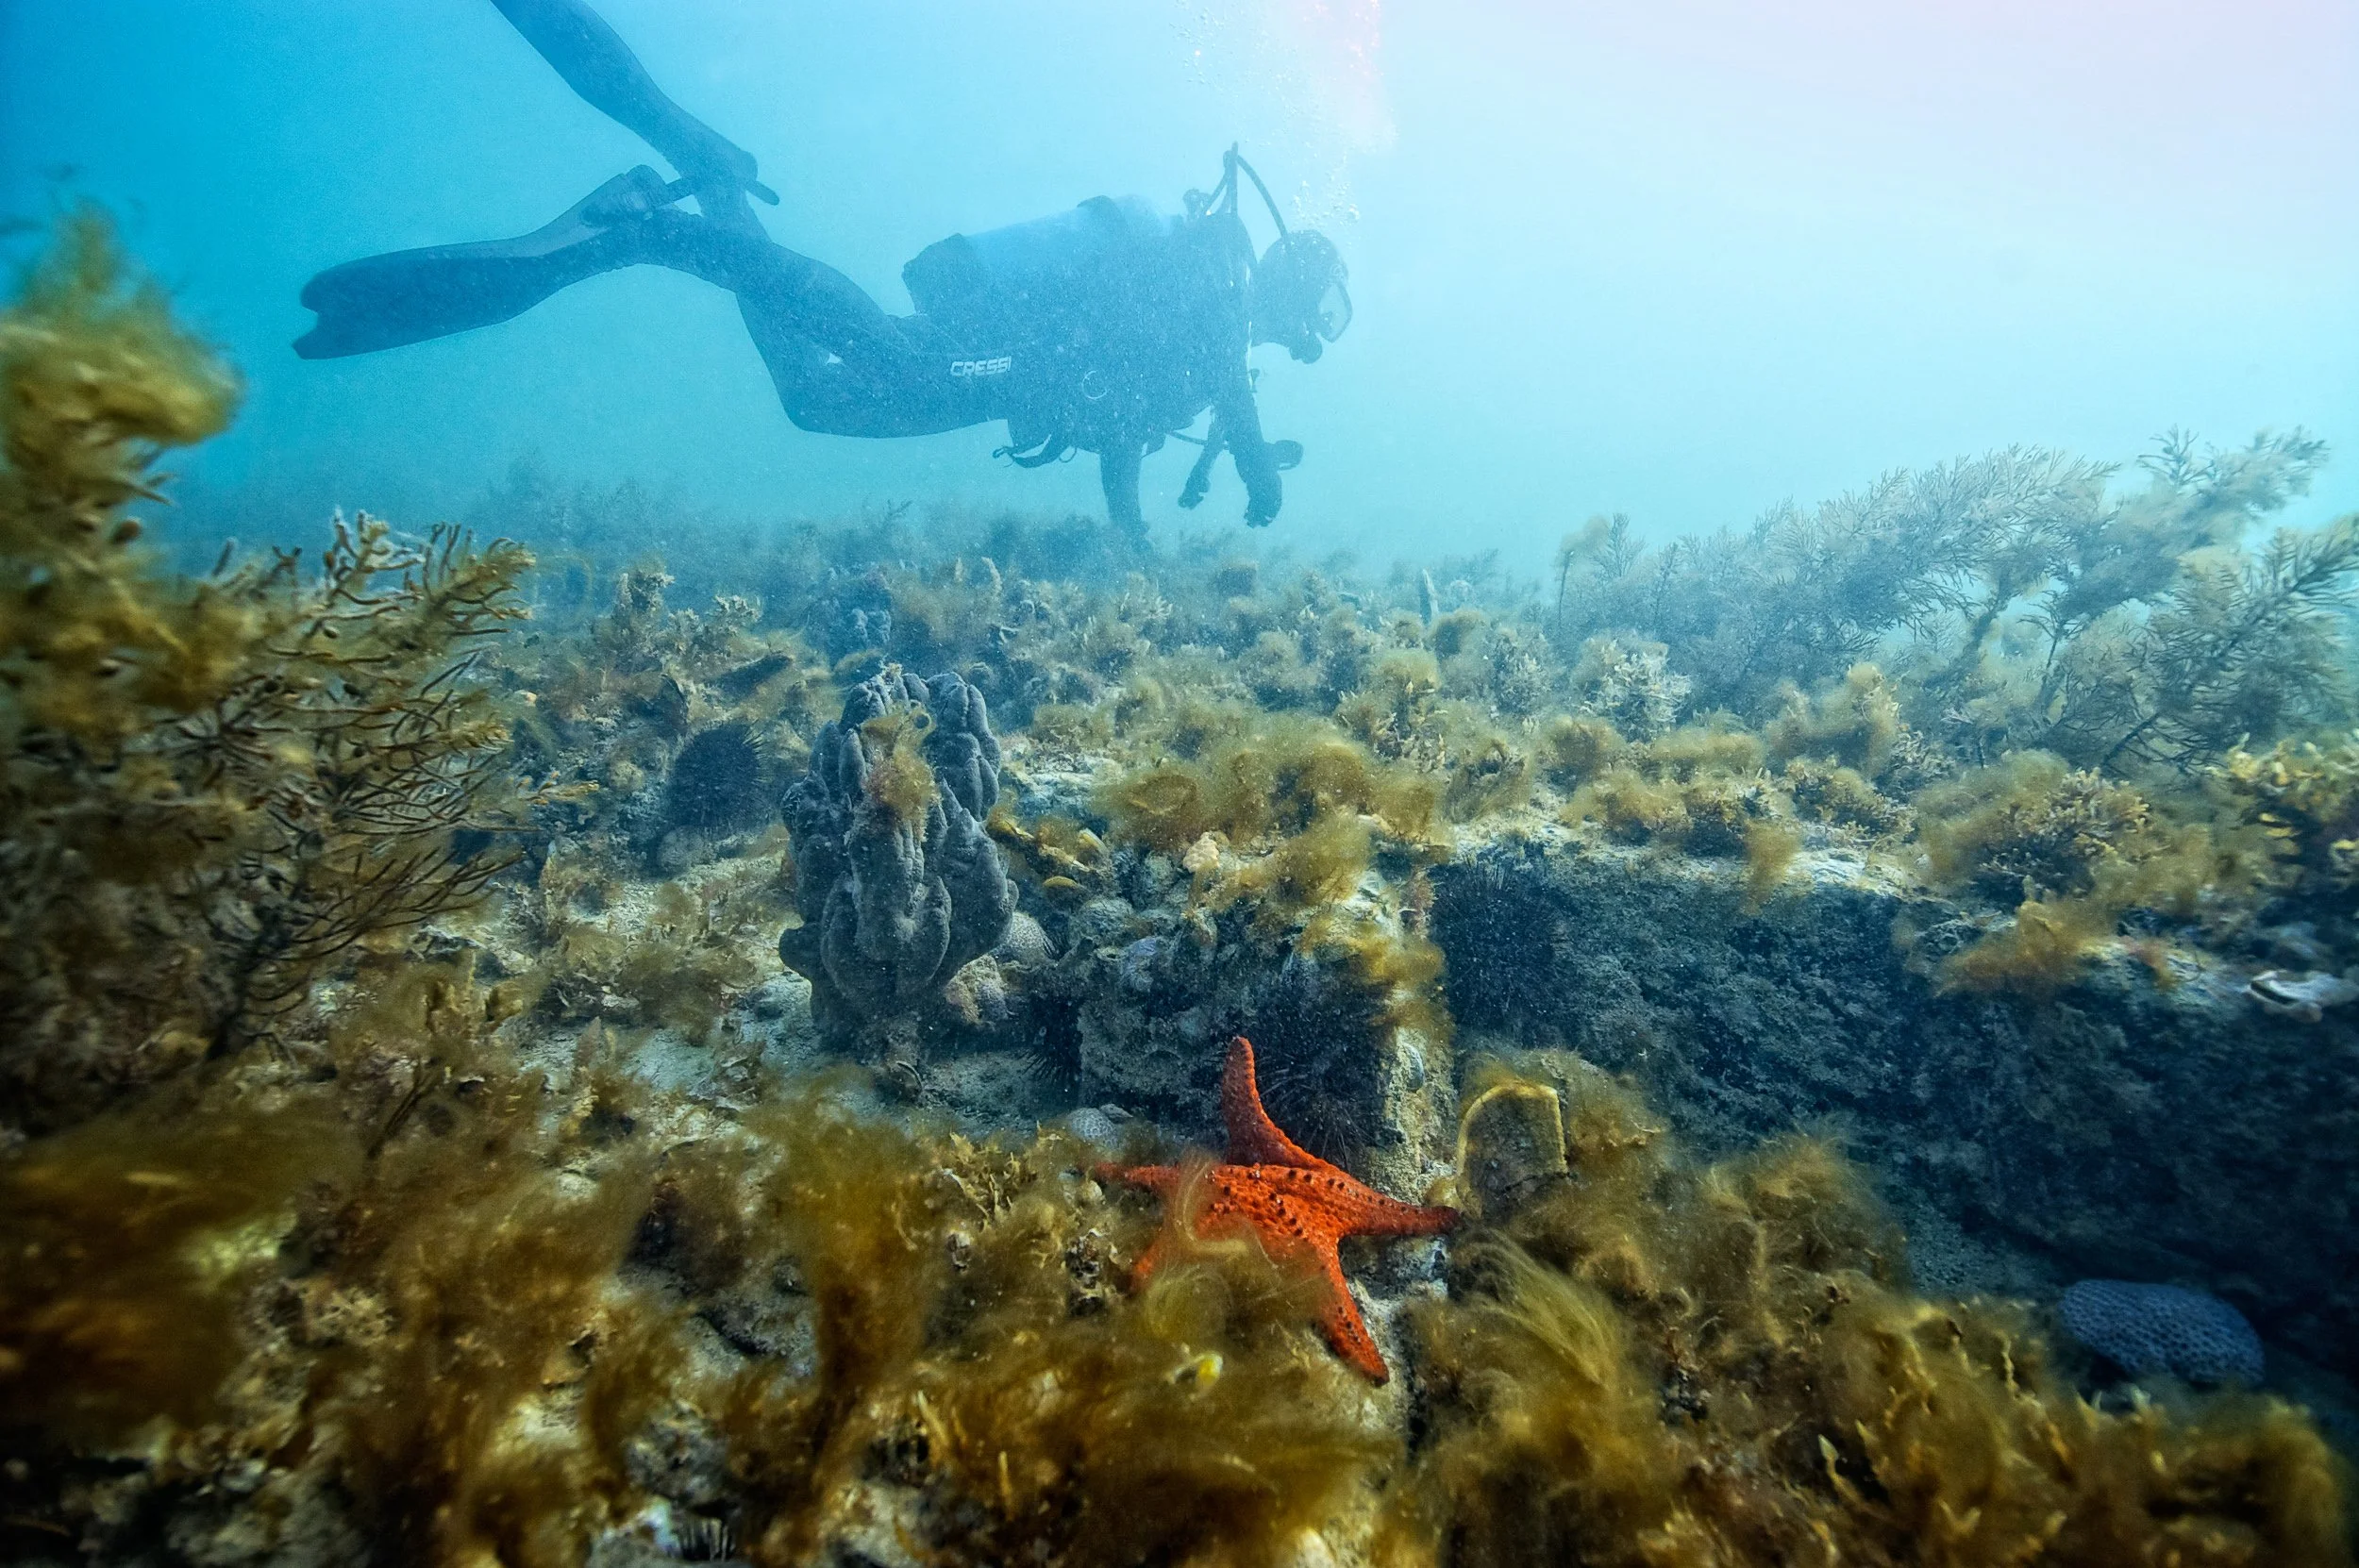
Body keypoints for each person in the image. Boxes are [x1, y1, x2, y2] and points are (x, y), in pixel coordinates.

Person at [293, 0, 1352, 532]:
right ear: (1296, 285)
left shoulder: (1206, 331)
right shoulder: (1218, 287)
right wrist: (1258, 487)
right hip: (1000, 351)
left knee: (813, 403)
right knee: (891, 352)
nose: (1308, 335)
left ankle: (703, 187)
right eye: (1322, 312)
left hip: (1008, 382)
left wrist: (1134, 558)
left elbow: (1123, 446)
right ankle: (649, 235)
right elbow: (1232, 406)